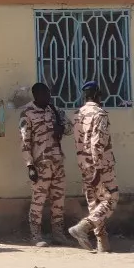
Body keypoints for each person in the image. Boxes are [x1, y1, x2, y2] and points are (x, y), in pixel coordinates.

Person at [68, 81, 119, 253]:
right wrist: (98, 167)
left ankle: (102, 244)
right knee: (111, 198)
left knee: (94, 202)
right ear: (98, 95)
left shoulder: (77, 114)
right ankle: (83, 226)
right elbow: (98, 142)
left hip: (84, 163)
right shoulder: (100, 114)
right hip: (100, 165)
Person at [18, 82, 71, 246]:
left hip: (57, 162)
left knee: (58, 200)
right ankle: (36, 236)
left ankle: (58, 234)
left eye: (49, 94)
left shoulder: (54, 110)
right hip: (40, 164)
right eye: (45, 94)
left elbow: (69, 128)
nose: (48, 97)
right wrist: (29, 165)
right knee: (38, 200)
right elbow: (24, 141)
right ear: (36, 95)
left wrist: (61, 128)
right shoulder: (27, 113)